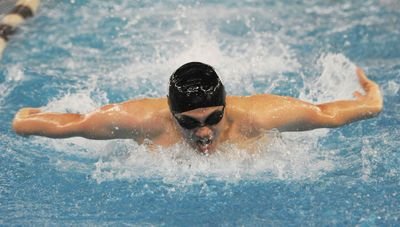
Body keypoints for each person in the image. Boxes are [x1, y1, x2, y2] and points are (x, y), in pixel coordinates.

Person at [12, 62, 383, 154]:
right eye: (189, 123)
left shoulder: (259, 116)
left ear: (226, 105)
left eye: (213, 118)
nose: (204, 132)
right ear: (172, 115)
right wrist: (24, 120)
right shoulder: (142, 121)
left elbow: (329, 114)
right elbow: (69, 124)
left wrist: (371, 96)